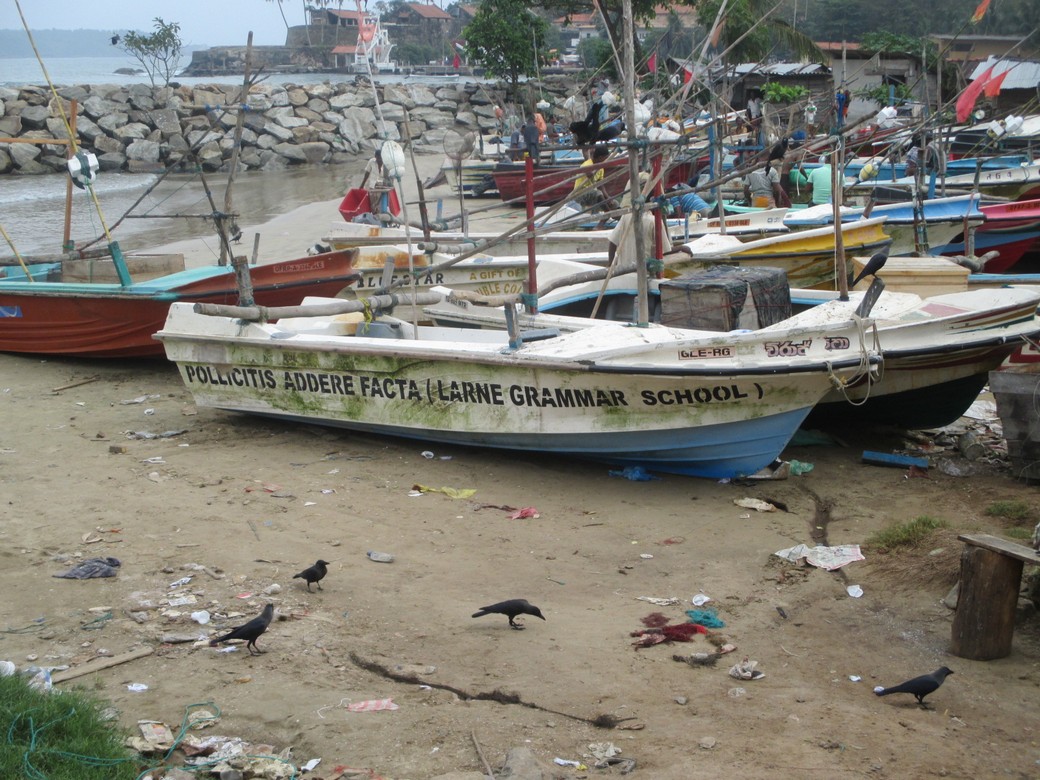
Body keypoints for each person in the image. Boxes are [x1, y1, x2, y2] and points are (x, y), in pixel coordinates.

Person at [608, 173, 673, 271]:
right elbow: (665, 251)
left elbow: (612, 242)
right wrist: (681, 248)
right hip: (641, 273)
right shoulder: (654, 222)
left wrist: (610, 266)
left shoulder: (626, 216)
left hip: (623, 272)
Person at [569, 145, 614, 225]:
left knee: (613, 203)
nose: (606, 161)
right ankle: (605, 217)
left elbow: (601, 186)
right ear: (600, 157)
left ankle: (621, 221)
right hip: (580, 195)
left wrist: (608, 198)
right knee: (597, 194)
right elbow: (587, 173)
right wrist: (590, 172)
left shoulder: (601, 168)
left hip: (591, 194)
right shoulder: (587, 165)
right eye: (605, 158)